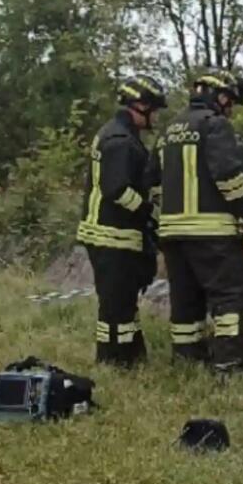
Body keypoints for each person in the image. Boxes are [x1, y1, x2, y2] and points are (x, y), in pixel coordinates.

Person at [152, 67, 243, 374]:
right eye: (230, 101)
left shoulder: (169, 131)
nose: (231, 109)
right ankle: (231, 364)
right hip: (213, 233)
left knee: (185, 300)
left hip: (172, 235)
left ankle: (187, 360)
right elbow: (227, 175)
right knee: (231, 297)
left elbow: (153, 182)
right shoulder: (215, 126)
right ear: (219, 96)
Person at [76, 75, 168, 368]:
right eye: (153, 109)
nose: (155, 116)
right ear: (139, 105)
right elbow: (117, 189)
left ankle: (129, 357)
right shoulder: (120, 141)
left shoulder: (116, 134)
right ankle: (113, 361)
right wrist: (148, 212)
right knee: (116, 307)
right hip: (111, 237)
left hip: (111, 236)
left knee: (123, 304)